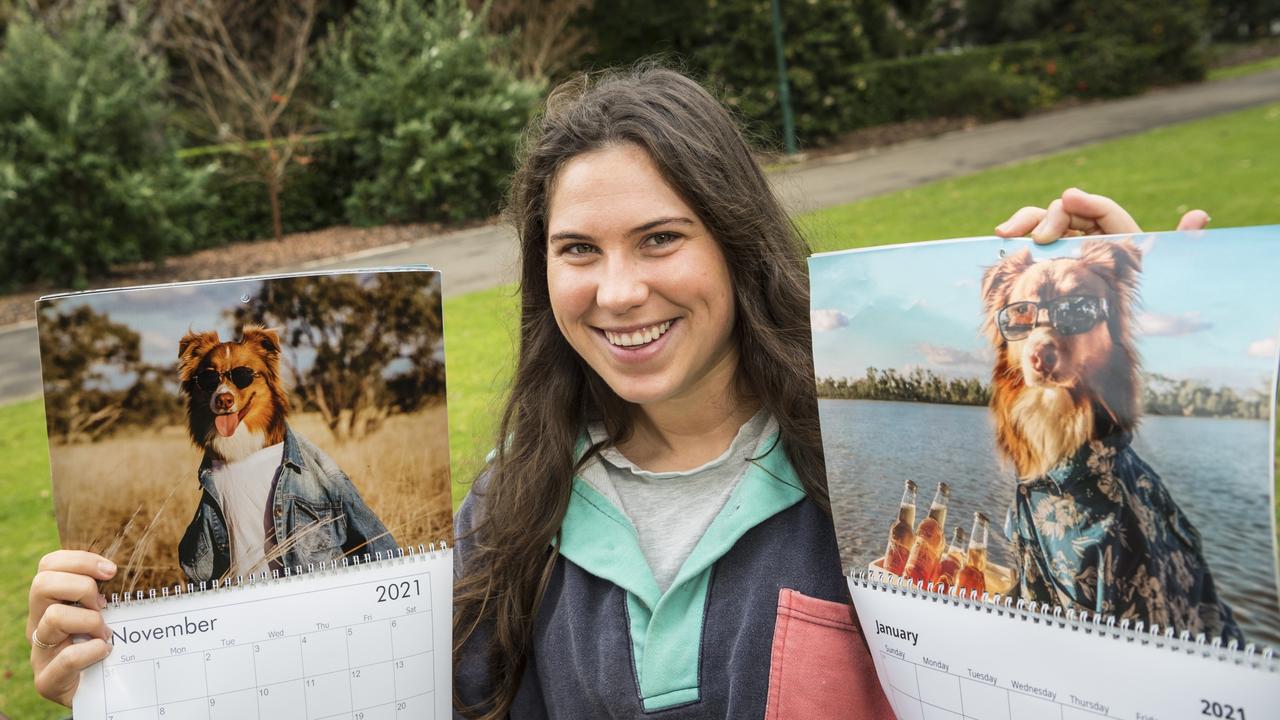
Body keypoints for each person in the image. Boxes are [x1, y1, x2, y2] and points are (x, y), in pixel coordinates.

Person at [28, 66, 1209, 714]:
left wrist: (1175, 332)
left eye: (659, 238)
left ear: (735, 245)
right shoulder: (511, 508)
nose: (616, 289)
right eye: (576, 250)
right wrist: (136, 661)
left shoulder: (854, 473)